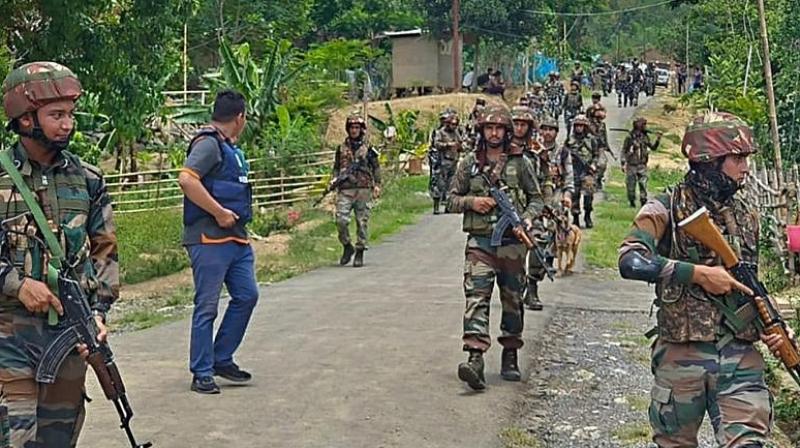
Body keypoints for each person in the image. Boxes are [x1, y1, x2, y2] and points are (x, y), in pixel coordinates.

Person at [618, 111, 792, 447]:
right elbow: (631, 260)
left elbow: (748, 285)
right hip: (682, 355)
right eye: (738, 158)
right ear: (709, 160)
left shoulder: (746, 215)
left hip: (739, 357)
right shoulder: (665, 207)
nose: (746, 167)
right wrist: (696, 274)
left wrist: (770, 325)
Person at [0, 61, 117, 446]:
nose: (68, 124)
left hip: (68, 337)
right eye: (56, 115)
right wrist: (17, 285)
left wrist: (98, 312)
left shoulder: (88, 180)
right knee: (15, 436)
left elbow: (105, 250)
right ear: (25, 118)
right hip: (8, 337)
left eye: (70, 114)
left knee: (58, 437)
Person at [448, 105, 543, 390]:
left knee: (513, 300)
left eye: (499, 128)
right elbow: (451, 198)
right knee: (476, 298)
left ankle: (510, 353)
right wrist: (472, 202)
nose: (493, 133)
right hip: (480, 243)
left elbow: (536, 198)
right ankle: (475, 357)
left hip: (512, 246)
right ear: (482, 131)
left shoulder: (520, 163)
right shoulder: (469, 163)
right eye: (489, 128)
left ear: (506, 132)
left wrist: (526, 219)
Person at [179, 90, 259, 394]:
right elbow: (187, 179)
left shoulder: (229, 147)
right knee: (207, 306)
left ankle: (221, 358)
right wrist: (219, 212)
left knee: (247, 295)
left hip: (236, 238)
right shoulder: (208, 144)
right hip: (209, 239)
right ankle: (201, 372)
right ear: (240, 117)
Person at [523, 115, 574, 311]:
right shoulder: (530, 149)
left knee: (545, 241)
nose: (547, 133)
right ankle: (522, 287)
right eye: (544, 129)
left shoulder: (562, 152)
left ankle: (533, 284)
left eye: (551, 129)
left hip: (552, 200)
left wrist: (567, 195)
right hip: (527, 200)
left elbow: (568, 177)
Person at [331, 114, 382, 267]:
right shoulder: (341, 148)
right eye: (352, 128)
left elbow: (376, 167)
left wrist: (377, 184)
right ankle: (347, 246)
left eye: (357, 128)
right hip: (345, 189)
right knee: (341, 220)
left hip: (363, 189)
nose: (354, 130)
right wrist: (334, 180)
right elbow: (336, 167)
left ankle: (360, 251)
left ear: (361, 129)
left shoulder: (368, 148)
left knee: (362, 222)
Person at [565, 114, 598, 228]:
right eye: (577, 125)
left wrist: (593, 165)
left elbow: (596, 154)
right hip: (574, 171)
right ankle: (575, 218)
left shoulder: (591, 139)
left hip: (587, 172)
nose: (579, 128)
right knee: (575, 196)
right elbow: (564, 154)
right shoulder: (570, 140)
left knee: (588, 196)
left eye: (581, 126)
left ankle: (587, 216)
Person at [429, 109, 463, 214]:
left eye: (455, 124)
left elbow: (460, 142)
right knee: (440, 184)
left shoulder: (455, 133)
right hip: (443, 161)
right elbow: (436, 144)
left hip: (453, 161)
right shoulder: (441, 132)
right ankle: (436, 206)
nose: (454, 126)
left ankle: (448, 206)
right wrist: (448, 145)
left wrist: (460, 146)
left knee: (451, 185)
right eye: (452, 124)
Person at [621, 117, 660, 207]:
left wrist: (658, 140)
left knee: (643, 183)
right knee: (631, 185)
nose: (645, 127)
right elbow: (624, 150)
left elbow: (653, 148)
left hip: (642, 164)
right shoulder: (630, 137)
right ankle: (632, 201)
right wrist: (623, 162)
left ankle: (643, 200)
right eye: (643, 125)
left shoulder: (645, 137)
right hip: (631, 164)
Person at [588, 104, 612, 190]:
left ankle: (598, 178)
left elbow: (604, 136)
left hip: (600, 147)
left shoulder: (602, 125)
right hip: (589, 147)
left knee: (602, 164)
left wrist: (607, 146)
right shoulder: (587, 124)